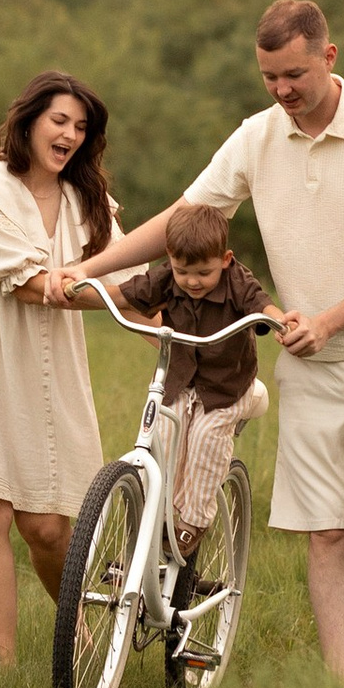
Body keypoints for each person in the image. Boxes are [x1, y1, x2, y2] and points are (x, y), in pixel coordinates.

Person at [55, 0, 344, 676]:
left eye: (294, 74)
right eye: (269, 77)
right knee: (325, 533)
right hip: (308, 362)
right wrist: (88, 269)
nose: (282, 90)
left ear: (328, 56)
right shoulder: (257, 138)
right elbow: (185, 215)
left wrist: (328, 321)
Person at [0, 68, 117, 666]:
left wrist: (181, 325)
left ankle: (76, 635)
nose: (70, 135)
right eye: (59, 120)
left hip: (47, 364)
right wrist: (105, 293)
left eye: (80, 127)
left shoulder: (89, 203)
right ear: (29, 121)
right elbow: (29, 285)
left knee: (48, 528)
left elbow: (130, 280)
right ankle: (4, 667)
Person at [120, 203, 279, 658]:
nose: (192, 281)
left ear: (224, 260)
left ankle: (191, 522)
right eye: (182, 271)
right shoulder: (169, 278)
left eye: (204, 273)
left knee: (208, 438)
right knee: (165, 436)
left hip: (226, 389)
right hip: (181, 381)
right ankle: (156, 525)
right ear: (170, 260)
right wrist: (82, 286)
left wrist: (279, 319)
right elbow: (132, 292)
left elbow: (260, 303)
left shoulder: (236, 280)